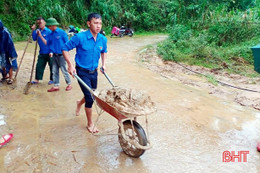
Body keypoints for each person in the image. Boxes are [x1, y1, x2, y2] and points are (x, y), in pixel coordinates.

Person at [62, 13, 107, 133]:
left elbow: (104, 51)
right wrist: (70, 65)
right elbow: (65, 48)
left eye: (100, 23)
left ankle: (79, 103)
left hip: (94, 72)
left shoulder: (103, 38)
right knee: (90, 97)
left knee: (92, 93)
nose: (98, 26)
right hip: (81, 72)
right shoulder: (79, 37)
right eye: (95, 23)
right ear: (88, 23)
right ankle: (90, 123)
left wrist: (104, 64)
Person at [45, 18, 72, 92]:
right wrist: (50, 51)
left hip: (62, 55)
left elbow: (67, 44)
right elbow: (49, 44)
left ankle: (69, 84)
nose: (48, 28)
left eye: (49, 26)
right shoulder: (50, 34)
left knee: (64, 70)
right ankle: (56, 85)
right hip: (54, 55)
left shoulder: (62, 33)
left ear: (53, 25)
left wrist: (66, 53)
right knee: (54, 70)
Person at [31, 17, 53, 85]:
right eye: (38, 23)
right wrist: (33, 30)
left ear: (45, 23)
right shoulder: (38, 31)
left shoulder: (49, 31)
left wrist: (52, 51)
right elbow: (34, 39)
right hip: (42, 52)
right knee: (39, 65)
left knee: (52, 66)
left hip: (50, 52)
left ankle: (53, 79)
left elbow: (51, 42)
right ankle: (37, 79)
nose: (39, 24)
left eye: (40, 23)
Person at [0, 20, 18, 84]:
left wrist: (11, 54)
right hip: (1, 51)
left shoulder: (5, 32)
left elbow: (10, 44)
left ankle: (10, 78)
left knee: (8, 64)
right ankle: (5, 76)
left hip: (7, 51)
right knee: (2, 65)